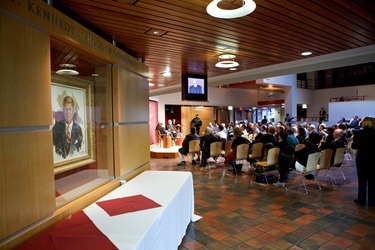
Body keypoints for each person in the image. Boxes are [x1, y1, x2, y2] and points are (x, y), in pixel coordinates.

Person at [352, 117, 375, 207]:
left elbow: (354, 146)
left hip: (362, 159)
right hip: (373, 159)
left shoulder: (358, 133)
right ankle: (372, 201)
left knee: (362, 180)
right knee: (373, 180)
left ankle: (361, 199)